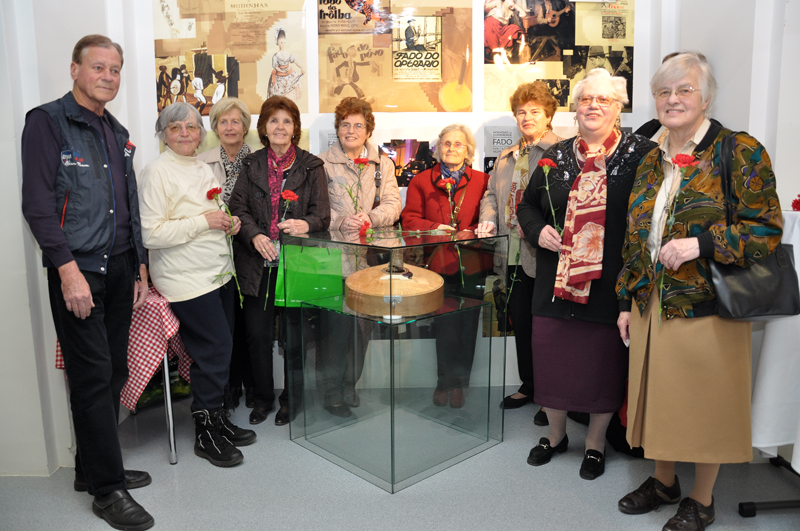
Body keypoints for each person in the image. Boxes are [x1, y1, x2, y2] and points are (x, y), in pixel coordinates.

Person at [616, 52, 783, 530]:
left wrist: (701, 244)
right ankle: (664, 481)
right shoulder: (652, 155)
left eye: (684, 90)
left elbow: (766, 230)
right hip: (651, 300)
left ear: (705, 97)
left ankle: (702, 498)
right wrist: (628, 299)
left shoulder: (738, 150)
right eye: (664, 92)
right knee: (658, 397)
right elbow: (636, 235)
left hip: (706, 302)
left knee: (703, 403)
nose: (672, 100)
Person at [20, 34, 154, 530]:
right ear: (75, 69)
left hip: (120, 269)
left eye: (115, 69)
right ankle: (107, 490)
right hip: (79, 271)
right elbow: (36, 205)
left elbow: (129, 204)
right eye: (98, 67)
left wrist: (140, 264)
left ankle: (91, 468)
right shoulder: (47, 122)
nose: (108, 76)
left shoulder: (116, 132)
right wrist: (66, 269)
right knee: (93, 375)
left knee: (113, 370)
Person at [516, 68, 655, 480]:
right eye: (585, 100)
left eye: (603, 100)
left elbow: (646, 221)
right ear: (575, 108)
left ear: (618, 108)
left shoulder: (641, 154)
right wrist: (537, 229)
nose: (593, 106)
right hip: (554, 284)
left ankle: (594, 444)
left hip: (609, 284)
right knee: (551, 359)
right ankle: (555, 436)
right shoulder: (553, 155)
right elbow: (527, 206)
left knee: (602, 366)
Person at [138, 102, 256, 468]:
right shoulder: (156, 172)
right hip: (186, 280)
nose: (185, 133)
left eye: (191, 126)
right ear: (164, 135)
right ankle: (205, 433)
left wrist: (229, 222)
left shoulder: (202, 167)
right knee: (214, 351)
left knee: (221, 351)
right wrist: (204, 222)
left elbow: (213, 212)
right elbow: (151, 233)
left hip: (218, 273)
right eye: (176, 128)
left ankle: (217, 418)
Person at [229, 96, 331, 425]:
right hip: (257, 265)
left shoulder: (312, 166)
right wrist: (255, 235)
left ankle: (291, 399)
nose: (280, 127)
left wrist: (306, 224)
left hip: (297, 264)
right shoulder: (250, 164)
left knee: (295, 337)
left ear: (295, 129)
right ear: (264, 128)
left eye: (286, 121)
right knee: (257, 336)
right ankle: (262, 398)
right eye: (274, 120)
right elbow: (237, 209)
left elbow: (323, 216)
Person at [476, 81, 562, 421]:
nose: (527, 117)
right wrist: (488, 219)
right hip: (509, 253)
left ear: (549, 115)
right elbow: (489, 196)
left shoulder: (562, 151)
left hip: (544, 256)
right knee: (522, 324)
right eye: (522, 112)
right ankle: (529, 385)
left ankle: (551, 395)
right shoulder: (505, 155)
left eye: (535, 111)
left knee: (547, 329)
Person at [318, 96, 401, 416]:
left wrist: (370, 218)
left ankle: (349, 385)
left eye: (358, 125)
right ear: (337, 129)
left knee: (363, 327)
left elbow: (393, 204)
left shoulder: (383, 163)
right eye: (345, 125)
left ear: (368, 131)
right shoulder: (321, 163)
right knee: (335, 330)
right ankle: (331, 392)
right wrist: (341, 222)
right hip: (334, 257)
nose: (351, 130)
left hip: (369, 259)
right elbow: (317, 211)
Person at [401, 124, 491, 408]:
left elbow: (490, 218)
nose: (452, 148)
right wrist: (435, 228)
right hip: (438, 266)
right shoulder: (421, 181)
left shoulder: (482, 180)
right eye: (447, 143)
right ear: (438, 148)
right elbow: (410, 221)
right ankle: (445, 382)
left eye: (459, 144)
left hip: (474, 262)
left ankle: (459, 384)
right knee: (446, 327)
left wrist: (473, 231)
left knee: (468, 328)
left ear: (469, 151)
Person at [197, 97, 256, 411]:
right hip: (216, 254)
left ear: (245, 127)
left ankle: (254, 386)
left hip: (250, 250)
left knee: (250, 324)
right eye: (223, 121)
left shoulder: (258, 160)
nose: (230, 127)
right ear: (215, 127)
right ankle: (228, 388)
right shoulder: (201, 161)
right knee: (224, 325)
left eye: (236, 121)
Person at [268, 28, 304, 101]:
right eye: (281, 42)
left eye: (284, 42)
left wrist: (302, 68)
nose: (283, 44)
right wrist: (281, 70)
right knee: (279, 96)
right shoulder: (276, 56)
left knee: (290, 92)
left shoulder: (288, 54)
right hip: (279, 76)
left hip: (288, 74)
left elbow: (295, 61)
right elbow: (275, 66)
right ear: (278, 42)